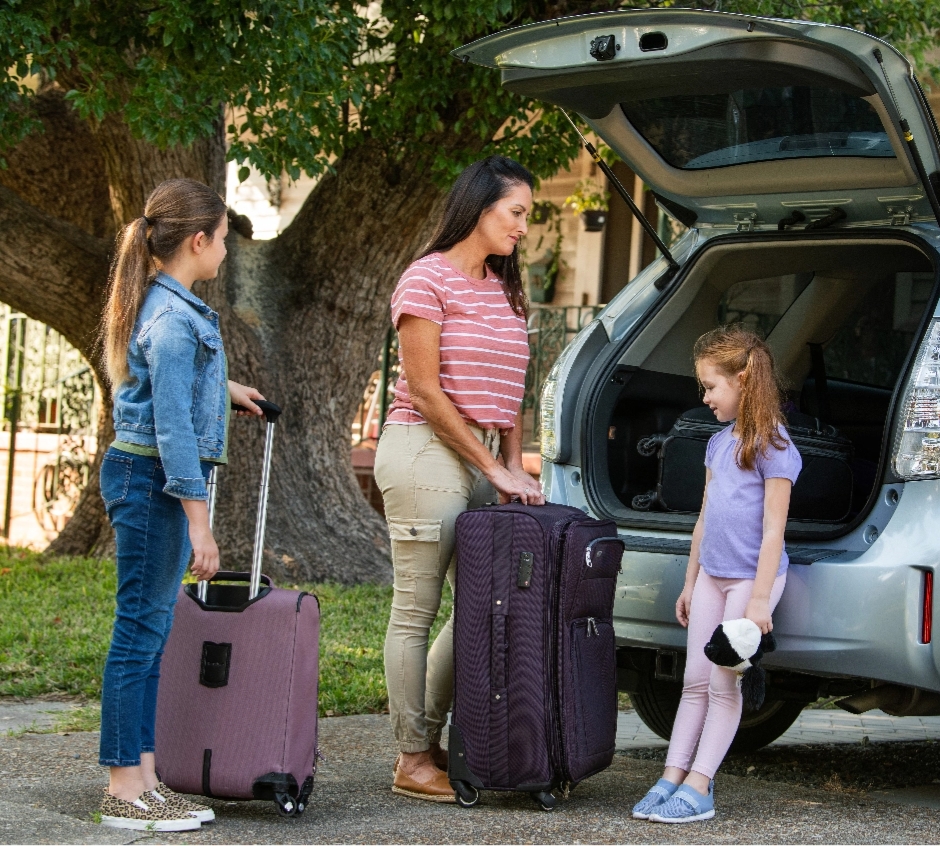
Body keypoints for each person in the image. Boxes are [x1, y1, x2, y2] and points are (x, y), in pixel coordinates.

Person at [374, 155, 545, 802]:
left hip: (480, 460)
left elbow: (511, 393)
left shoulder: (503, 289)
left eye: (529, 215)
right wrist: (491, 466)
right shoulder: (426, 280)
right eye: (517, 212)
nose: (524, 226)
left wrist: (511, 466)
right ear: (479, 207)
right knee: (416, 611)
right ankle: (412, 756)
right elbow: (422, 389)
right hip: (425, 451)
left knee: (477, 606)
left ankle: (428, 740)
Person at [96, 178, 265, 831]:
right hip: (148, 482)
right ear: (198, 241)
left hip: (145, 476)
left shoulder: (172, 311)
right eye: (223, 240)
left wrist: (225, 387)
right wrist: (202, 527)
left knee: (151, 631)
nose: (226, 252)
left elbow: (171, 384)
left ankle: (144, 777)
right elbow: (170, 431)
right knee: (137, 633)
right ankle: (121, 787)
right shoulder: (172, 320)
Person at [632, 325, 802, 824]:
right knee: (694, 682)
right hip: (711, 577)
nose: (704, 397)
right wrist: (690, 582)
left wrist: (759, 602)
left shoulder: (774, 446)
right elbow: (704, 519)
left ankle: (700, 786)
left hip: (750, 582)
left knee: (725, 685)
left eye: (711, 386)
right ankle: (671, 776)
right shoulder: (715, 444)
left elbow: (774, 533)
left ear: (744, 380)